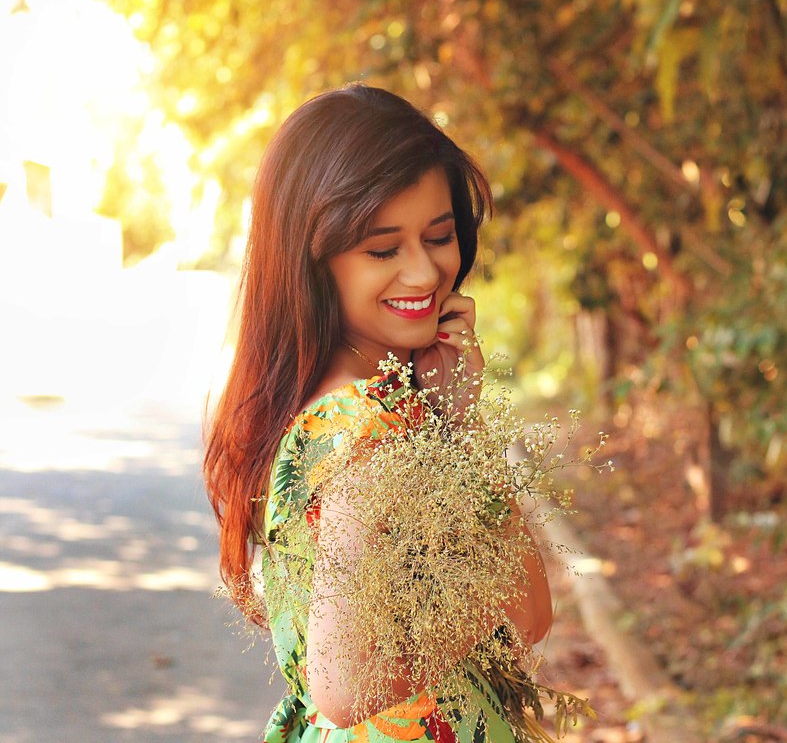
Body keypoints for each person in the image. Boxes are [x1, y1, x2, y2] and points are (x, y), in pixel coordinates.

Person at [204, 85, 553, 742]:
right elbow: (346, 686)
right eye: (383, 250)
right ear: (314, 260)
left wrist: (459, 421)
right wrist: (479, 597)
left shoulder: (358, 410)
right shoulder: (363, 430)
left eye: (440, 236)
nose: (424, 274)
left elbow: (532, 615)